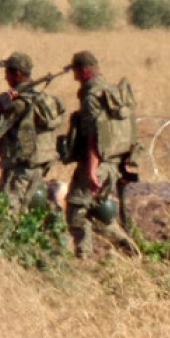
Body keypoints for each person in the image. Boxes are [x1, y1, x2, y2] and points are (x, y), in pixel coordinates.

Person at [63, 50, 141, 258]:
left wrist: (91, 171)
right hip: (115, 164)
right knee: (96, 211)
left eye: (77, 72)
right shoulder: (113, 93)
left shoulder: (92, 98)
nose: (75, 77)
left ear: (85, 71)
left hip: (98, 164)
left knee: (76, 209)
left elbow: (93, 138)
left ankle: (84, 255)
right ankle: (126, 245)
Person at [0, 51, 66, 212]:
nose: (6, 77)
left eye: (7, 73)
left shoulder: (18, 104)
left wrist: (1, 108)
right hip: (40, 165)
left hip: (20, 167)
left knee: (6, 210)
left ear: (17, 74)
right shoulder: (44, 99)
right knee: (30, 208)